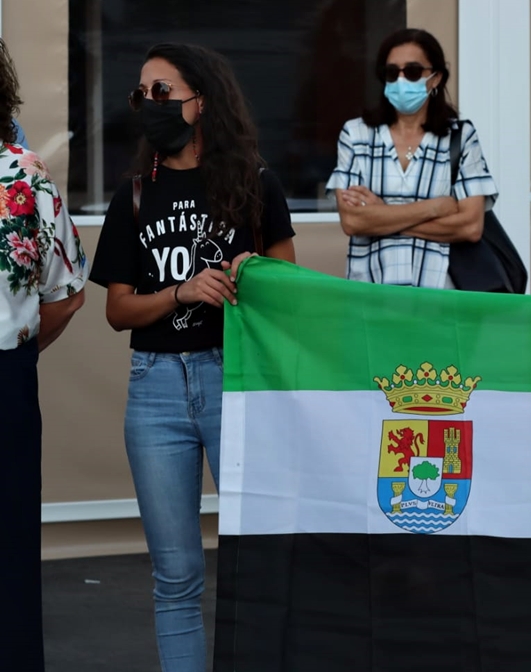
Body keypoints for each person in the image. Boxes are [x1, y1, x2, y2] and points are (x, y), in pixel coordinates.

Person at [88, 43, 296, 672]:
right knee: (175, 574)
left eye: (162, 91)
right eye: (140, 93)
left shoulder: (254, 181)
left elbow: (289, 287)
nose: (148, 104)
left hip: (232, 376)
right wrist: (180, 290)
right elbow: (118, 310)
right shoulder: (133, 196)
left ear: (199, 101)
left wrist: (250, 272)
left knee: (259, 560)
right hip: (154, 388)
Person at [0, 37, 86, 672]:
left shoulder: (27, 178)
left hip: (6, 379)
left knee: (8, 549)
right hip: (10, 375)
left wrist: (18, 350)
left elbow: (64, 295)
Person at [328, 28, 498, 288]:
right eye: (391, 72)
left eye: (413, 71)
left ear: (435, 78)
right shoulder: (356, 134)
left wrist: (382, 215)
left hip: (440, 301)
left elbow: (470, 227)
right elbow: (352, 221)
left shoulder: (461, 137)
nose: (401, 80)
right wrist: (435, 207)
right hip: (371, 299)